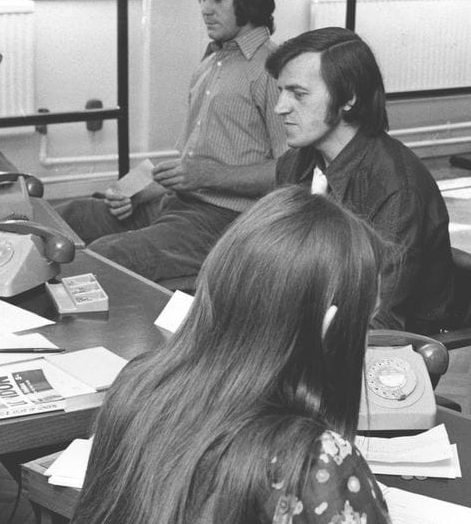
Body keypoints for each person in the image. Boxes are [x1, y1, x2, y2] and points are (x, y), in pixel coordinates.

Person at [70, 187, 391, 524]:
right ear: (325, 327)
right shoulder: (316, 460)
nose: (365, 345)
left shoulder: (136, 387)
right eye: (364, 326)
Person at [59, 0, 287, 284]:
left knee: (104, 256)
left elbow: (291, 172)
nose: (205, 9)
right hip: (177, 202)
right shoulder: (212, 61)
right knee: (69, 216)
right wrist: (141, 193)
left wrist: (209, 176)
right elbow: (188, 164)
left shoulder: (274, 69)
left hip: (223, 220)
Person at [267, 27, 452, 331]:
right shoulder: (294, 164)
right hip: (310, 324)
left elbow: (381, 319)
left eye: (298, 94)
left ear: (348, 98)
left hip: (383, 354)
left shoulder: (396, 188)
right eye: (281, 91)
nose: (280, 107)